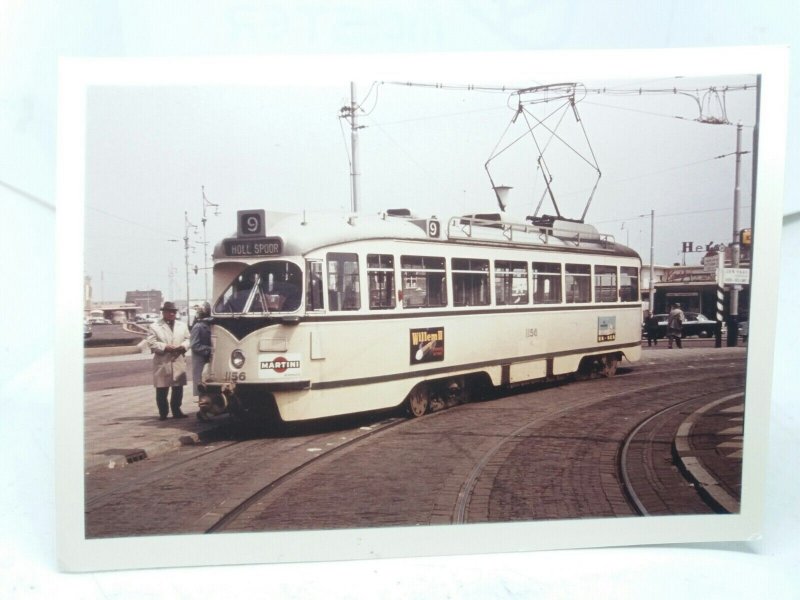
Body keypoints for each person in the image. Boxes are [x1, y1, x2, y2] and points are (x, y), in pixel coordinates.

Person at [146, 301, 191, 419]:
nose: (172, 314)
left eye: (174, 312)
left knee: (178, 388)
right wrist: (165, 347)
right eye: (170, 311)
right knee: (162, 388)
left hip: (178, 359)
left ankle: (177, 410)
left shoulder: (182, 325)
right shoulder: (155, 326)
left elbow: (188, 339)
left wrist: (183, 346)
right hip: (163, 361)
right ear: (164, 312)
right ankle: (163, 412)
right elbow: (151, 343)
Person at [190, 302, 214, 419]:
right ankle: (202, 412)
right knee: (201, 387)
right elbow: (195, 345)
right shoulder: (198, 327)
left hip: (210, 359)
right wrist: (210, 350)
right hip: (201, 360)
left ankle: (208, 410)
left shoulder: (211, 325)